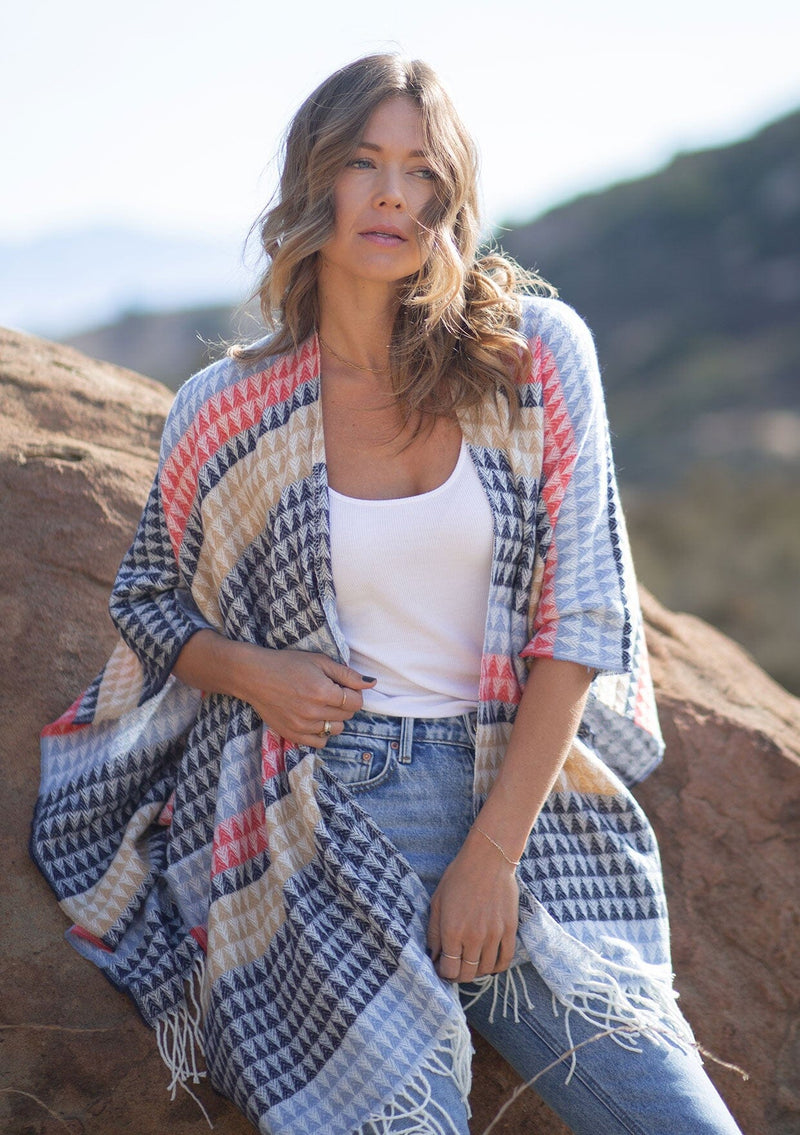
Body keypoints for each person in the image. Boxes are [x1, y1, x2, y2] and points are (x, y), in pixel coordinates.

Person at [31, 54, 743, 1135]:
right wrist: (253, 672)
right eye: (363, 161)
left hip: (526, 818)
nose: (391, 196)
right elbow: (148, 602)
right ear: (314, 181)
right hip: (319, 820)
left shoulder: (533, 358)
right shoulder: (226, 409)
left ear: (448, 196)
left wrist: (488, 859)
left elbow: (582, 620)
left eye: (419, 170)